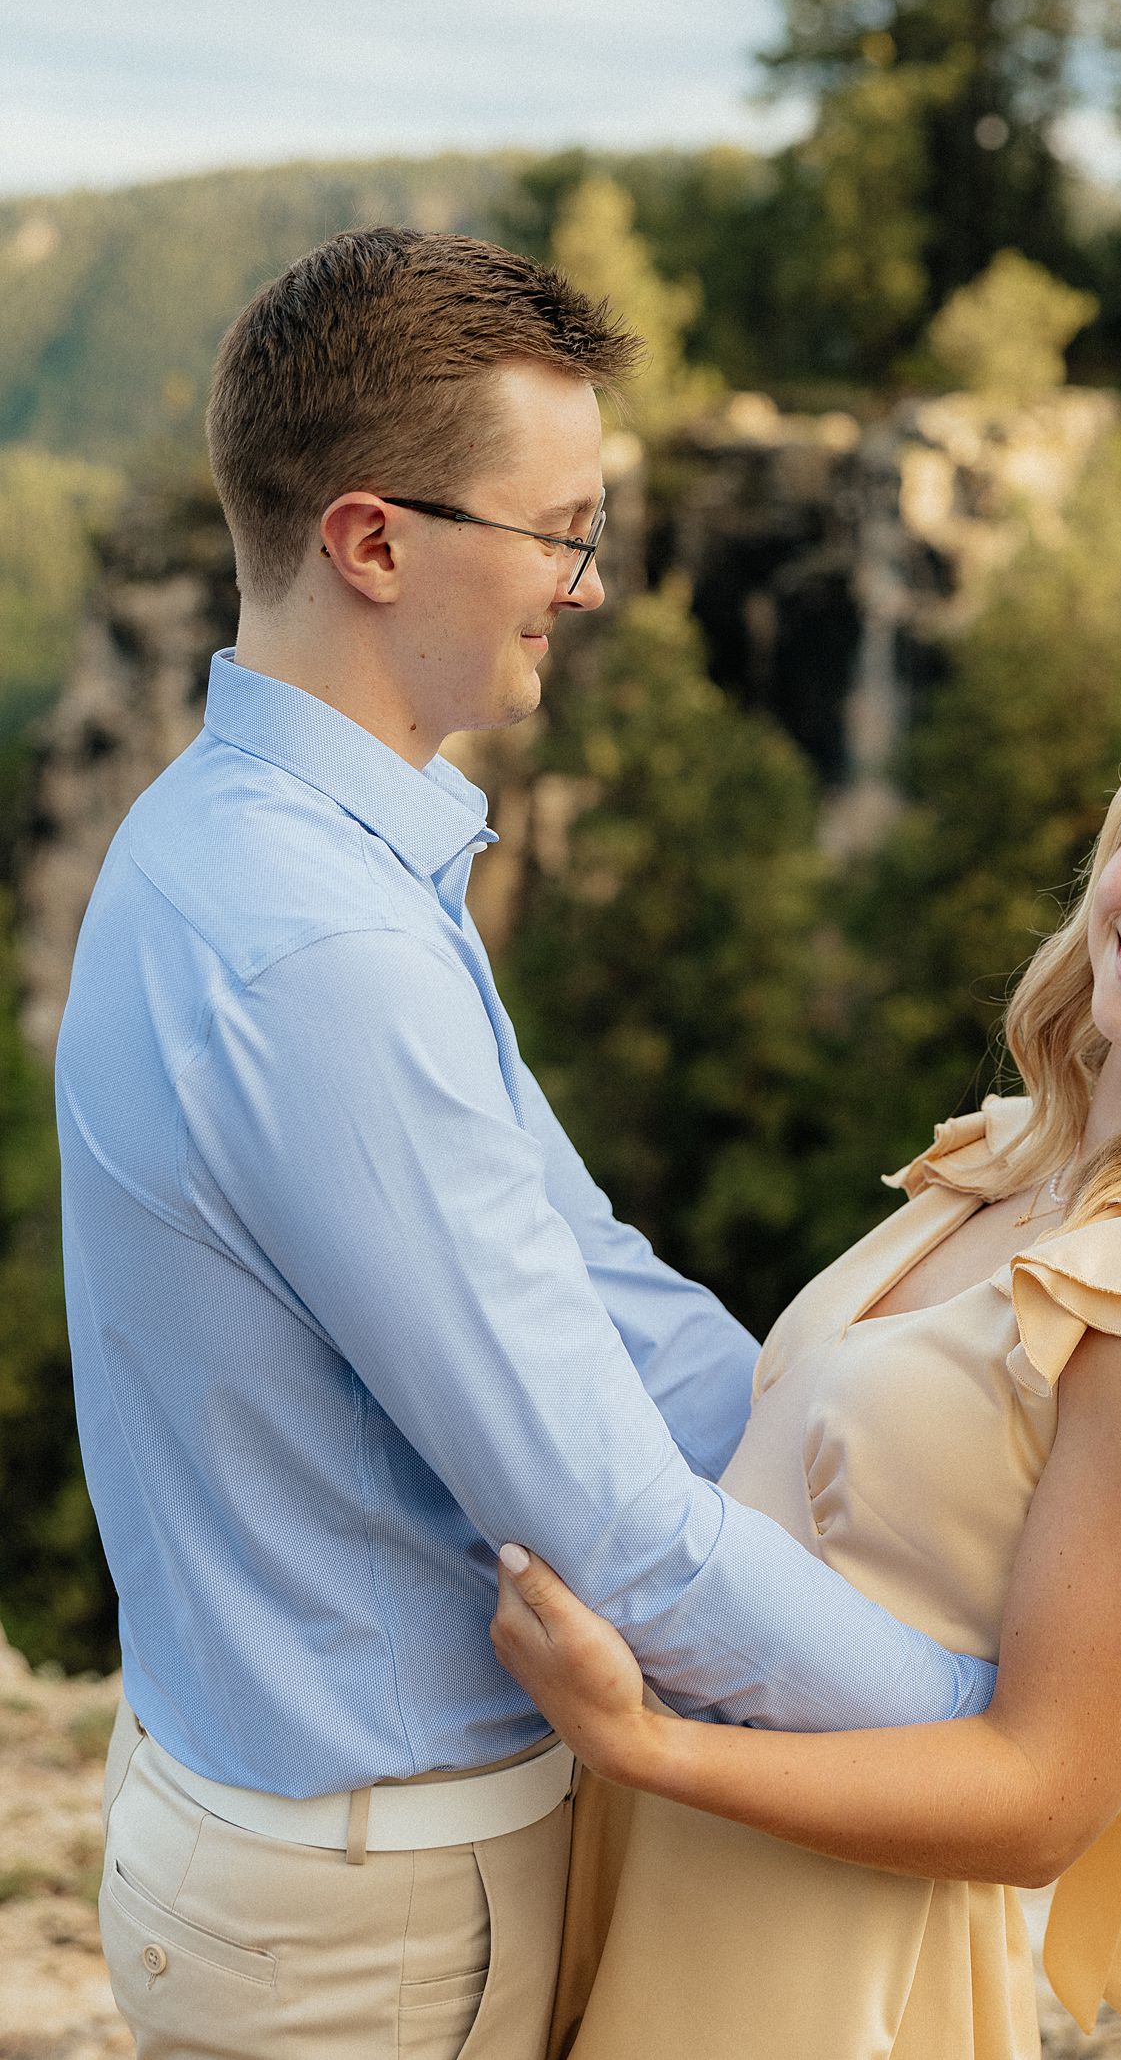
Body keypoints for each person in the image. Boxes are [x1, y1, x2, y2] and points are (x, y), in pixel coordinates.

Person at [57, 228, 1000, 2060]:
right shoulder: (323, 949)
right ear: (374, 540)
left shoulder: (254, 835)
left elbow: (591, 1275)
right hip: (376, 1916)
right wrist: (984, 1718)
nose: (589, 582)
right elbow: (616, 1539)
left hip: (277, 1832)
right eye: (558, 531)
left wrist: (858, 1479)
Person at [488, 709, 1121, 2058]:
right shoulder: (1013, 1165)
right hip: (654, 1860)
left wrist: (649, 1748)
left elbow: (1043, 1798)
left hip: (822, 1957)